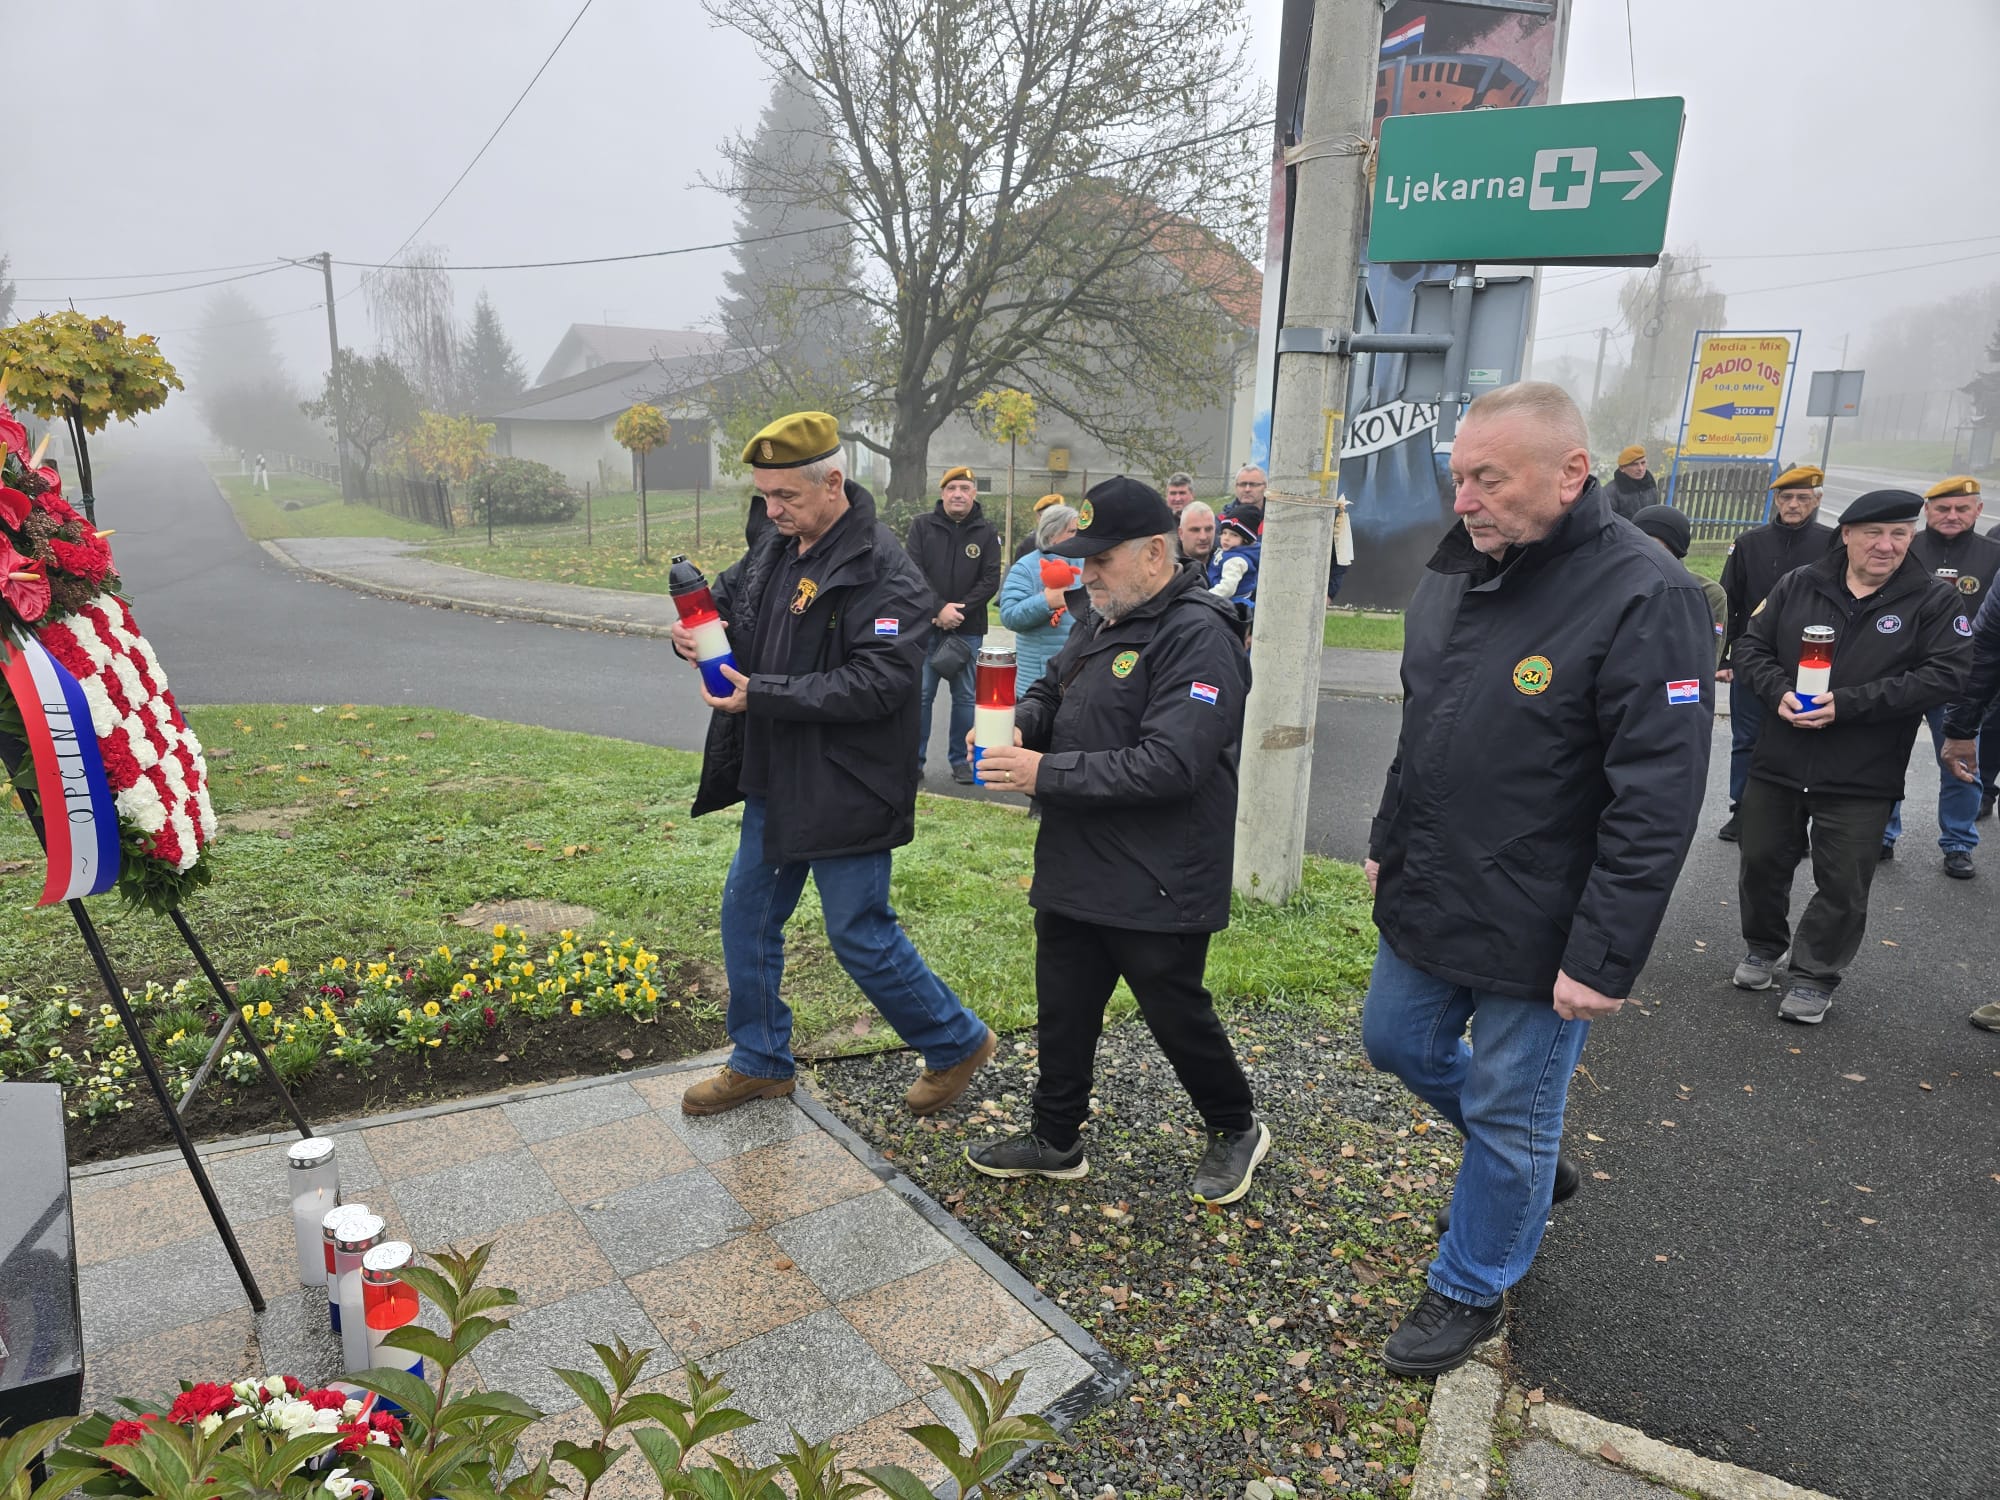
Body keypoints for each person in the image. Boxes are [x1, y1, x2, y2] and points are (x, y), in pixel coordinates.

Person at [1361, 382, 1712, 1377]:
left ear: (1569, 473)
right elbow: (1417, 729)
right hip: (1433, 884)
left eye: (1487, 478)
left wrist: (1601, 957)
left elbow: (1653, 797)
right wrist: (1388, 837)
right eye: (1457, 477)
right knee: (1393, 1040)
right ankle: (1519, 1163)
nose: (1464, 499)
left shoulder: (1648, 595)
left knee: (1512, 1103)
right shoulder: (1454, 572)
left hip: (1542, 919)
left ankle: (1471, 1280)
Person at [675, 412, 996, 1116]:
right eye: (763, 495)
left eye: (786, 496)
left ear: (833, 482)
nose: (772, 510)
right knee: (746, 916)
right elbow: (730, 602)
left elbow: (878, 683)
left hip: (848, 781)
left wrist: (764, 694)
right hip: (775, 772)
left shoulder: (886, 571)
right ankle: (760, 1059)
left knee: (858, 931)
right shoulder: (775, 543)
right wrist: (693, 632)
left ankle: (955, 1040)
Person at [964, 476, 1266, 1204]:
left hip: (1160, 871)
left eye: (1101, 559)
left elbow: (1172, 764)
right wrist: (1013, 728)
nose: (1085, 573)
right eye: (1082, 558)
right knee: (1064, 1003)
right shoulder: (1102, 615)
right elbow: (1051, 691)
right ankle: (1056, 1136)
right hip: (1077, 856)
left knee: (1173, 1010)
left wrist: (1041, 773)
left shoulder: (1199, 633)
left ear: (1156, 554)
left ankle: (1235, 1125)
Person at [1729, 489, 1971, 1024]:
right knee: (1762, 860)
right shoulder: (1800, 584)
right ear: (1847, 535)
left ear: (1912, 536)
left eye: (1899, 534)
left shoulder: (1933, 600)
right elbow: (1751, 647)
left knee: (1842, 881)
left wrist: (1847, 705)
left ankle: (1815, 976)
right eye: (1874, 534)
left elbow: (1945, 675)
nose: (1886, 546)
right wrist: (1778, 692)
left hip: (1863, 771)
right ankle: (1764, 947)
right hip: (1780, 758)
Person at [1881, 474, 2000, 874]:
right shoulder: (1902, 549)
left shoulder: (1994, 555)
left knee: (1962, 764)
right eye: (1942, 508)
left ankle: (1958, 843)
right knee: (1883, 756)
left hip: (1960, 680)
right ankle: (1881, 834)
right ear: (1927, 511)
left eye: (1962, 508)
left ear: (1978, 511)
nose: (1952, 515)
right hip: (1901, 671)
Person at [1714, 465, 1839, 842]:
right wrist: (1724, 658)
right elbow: (1729, 600)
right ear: (1776, 500)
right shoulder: (1751, 543)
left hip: (1810, 660)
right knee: (1747, 739)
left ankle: (1795, 821)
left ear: (1817, 500)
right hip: (1753, 658)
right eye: (1786, 497)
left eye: (1803, 498)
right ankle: (1742, 809)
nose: (1794, 504)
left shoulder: (1832, 544)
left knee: (1803, 739)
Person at [906, 465, 1001, 783]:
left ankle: (961, 762)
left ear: (974, 494)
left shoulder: (987, 532)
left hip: (968, 631)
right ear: (942, 493)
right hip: (926, 628)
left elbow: (990, 579)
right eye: (952, 488)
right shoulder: (921, 526)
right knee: (920, 697)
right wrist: (937, 609)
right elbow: (913, 571)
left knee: (964, 698)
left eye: (964, 488)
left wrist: (957, 611)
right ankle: (913, 762)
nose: (958, 494)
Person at [1632, 504, 1728, 665]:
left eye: (1656, 548)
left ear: (1675, 551)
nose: (1646, 554)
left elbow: (1705, 659)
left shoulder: (1707, 593)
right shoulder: (1616, 583)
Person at [998, 504, 1081, 688]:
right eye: (1072, 531)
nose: (1078, 536)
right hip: (1039, 681)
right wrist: (1046, 601)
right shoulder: (1026, 568)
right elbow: (1009, 616)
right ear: (1052, 535)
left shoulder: (1085, 564)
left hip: (1079, 678)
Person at [1206, 516, 1259, 611]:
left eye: (1234, 535)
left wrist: (1206, 597)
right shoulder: (1228, 552)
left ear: (1245, 540)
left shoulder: (1235, 561)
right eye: (1224, 533)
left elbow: (1227, 588)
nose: (1226, 538)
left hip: (1232, 605)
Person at [1607, 444, 1656, 520]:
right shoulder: (1610, 492)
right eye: (1634, 464)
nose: (1640, 468)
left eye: (1643, 463)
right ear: (1622, 468)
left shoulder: (1650, 486)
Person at [1014, 491, 1067, 560]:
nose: (1053, 522)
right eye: (1048, 517)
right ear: (1038, 518)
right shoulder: (1029, 544)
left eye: (1058, 516)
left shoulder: (1071, 540)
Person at [1177, 500, 1217, 575]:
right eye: (1195, 530)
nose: (1203, 537)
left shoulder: (1227, 563)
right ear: (1181, 533)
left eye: (1208, 529)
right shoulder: (1170, 570)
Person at [1224, 465, 1267, 533]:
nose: (1247, 489)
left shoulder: (1275, 520)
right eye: (1243, 484)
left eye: (1253, 484)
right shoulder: (1224, 519)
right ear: (1236, 487)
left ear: (1265, 487)